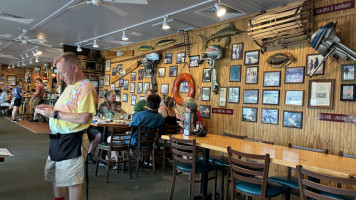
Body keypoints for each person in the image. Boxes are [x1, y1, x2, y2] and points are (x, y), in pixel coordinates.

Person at [35, 52, 97, 200]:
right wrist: (48, 109)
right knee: (57, 175)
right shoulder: (69, 86)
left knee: (72, 180)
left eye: (62, 72)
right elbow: (66, 110)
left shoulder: (86, 88)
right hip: (57, 139)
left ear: (74, 67)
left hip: (73, 139)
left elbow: (83, 118)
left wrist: (54, 114)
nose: (60, 76)